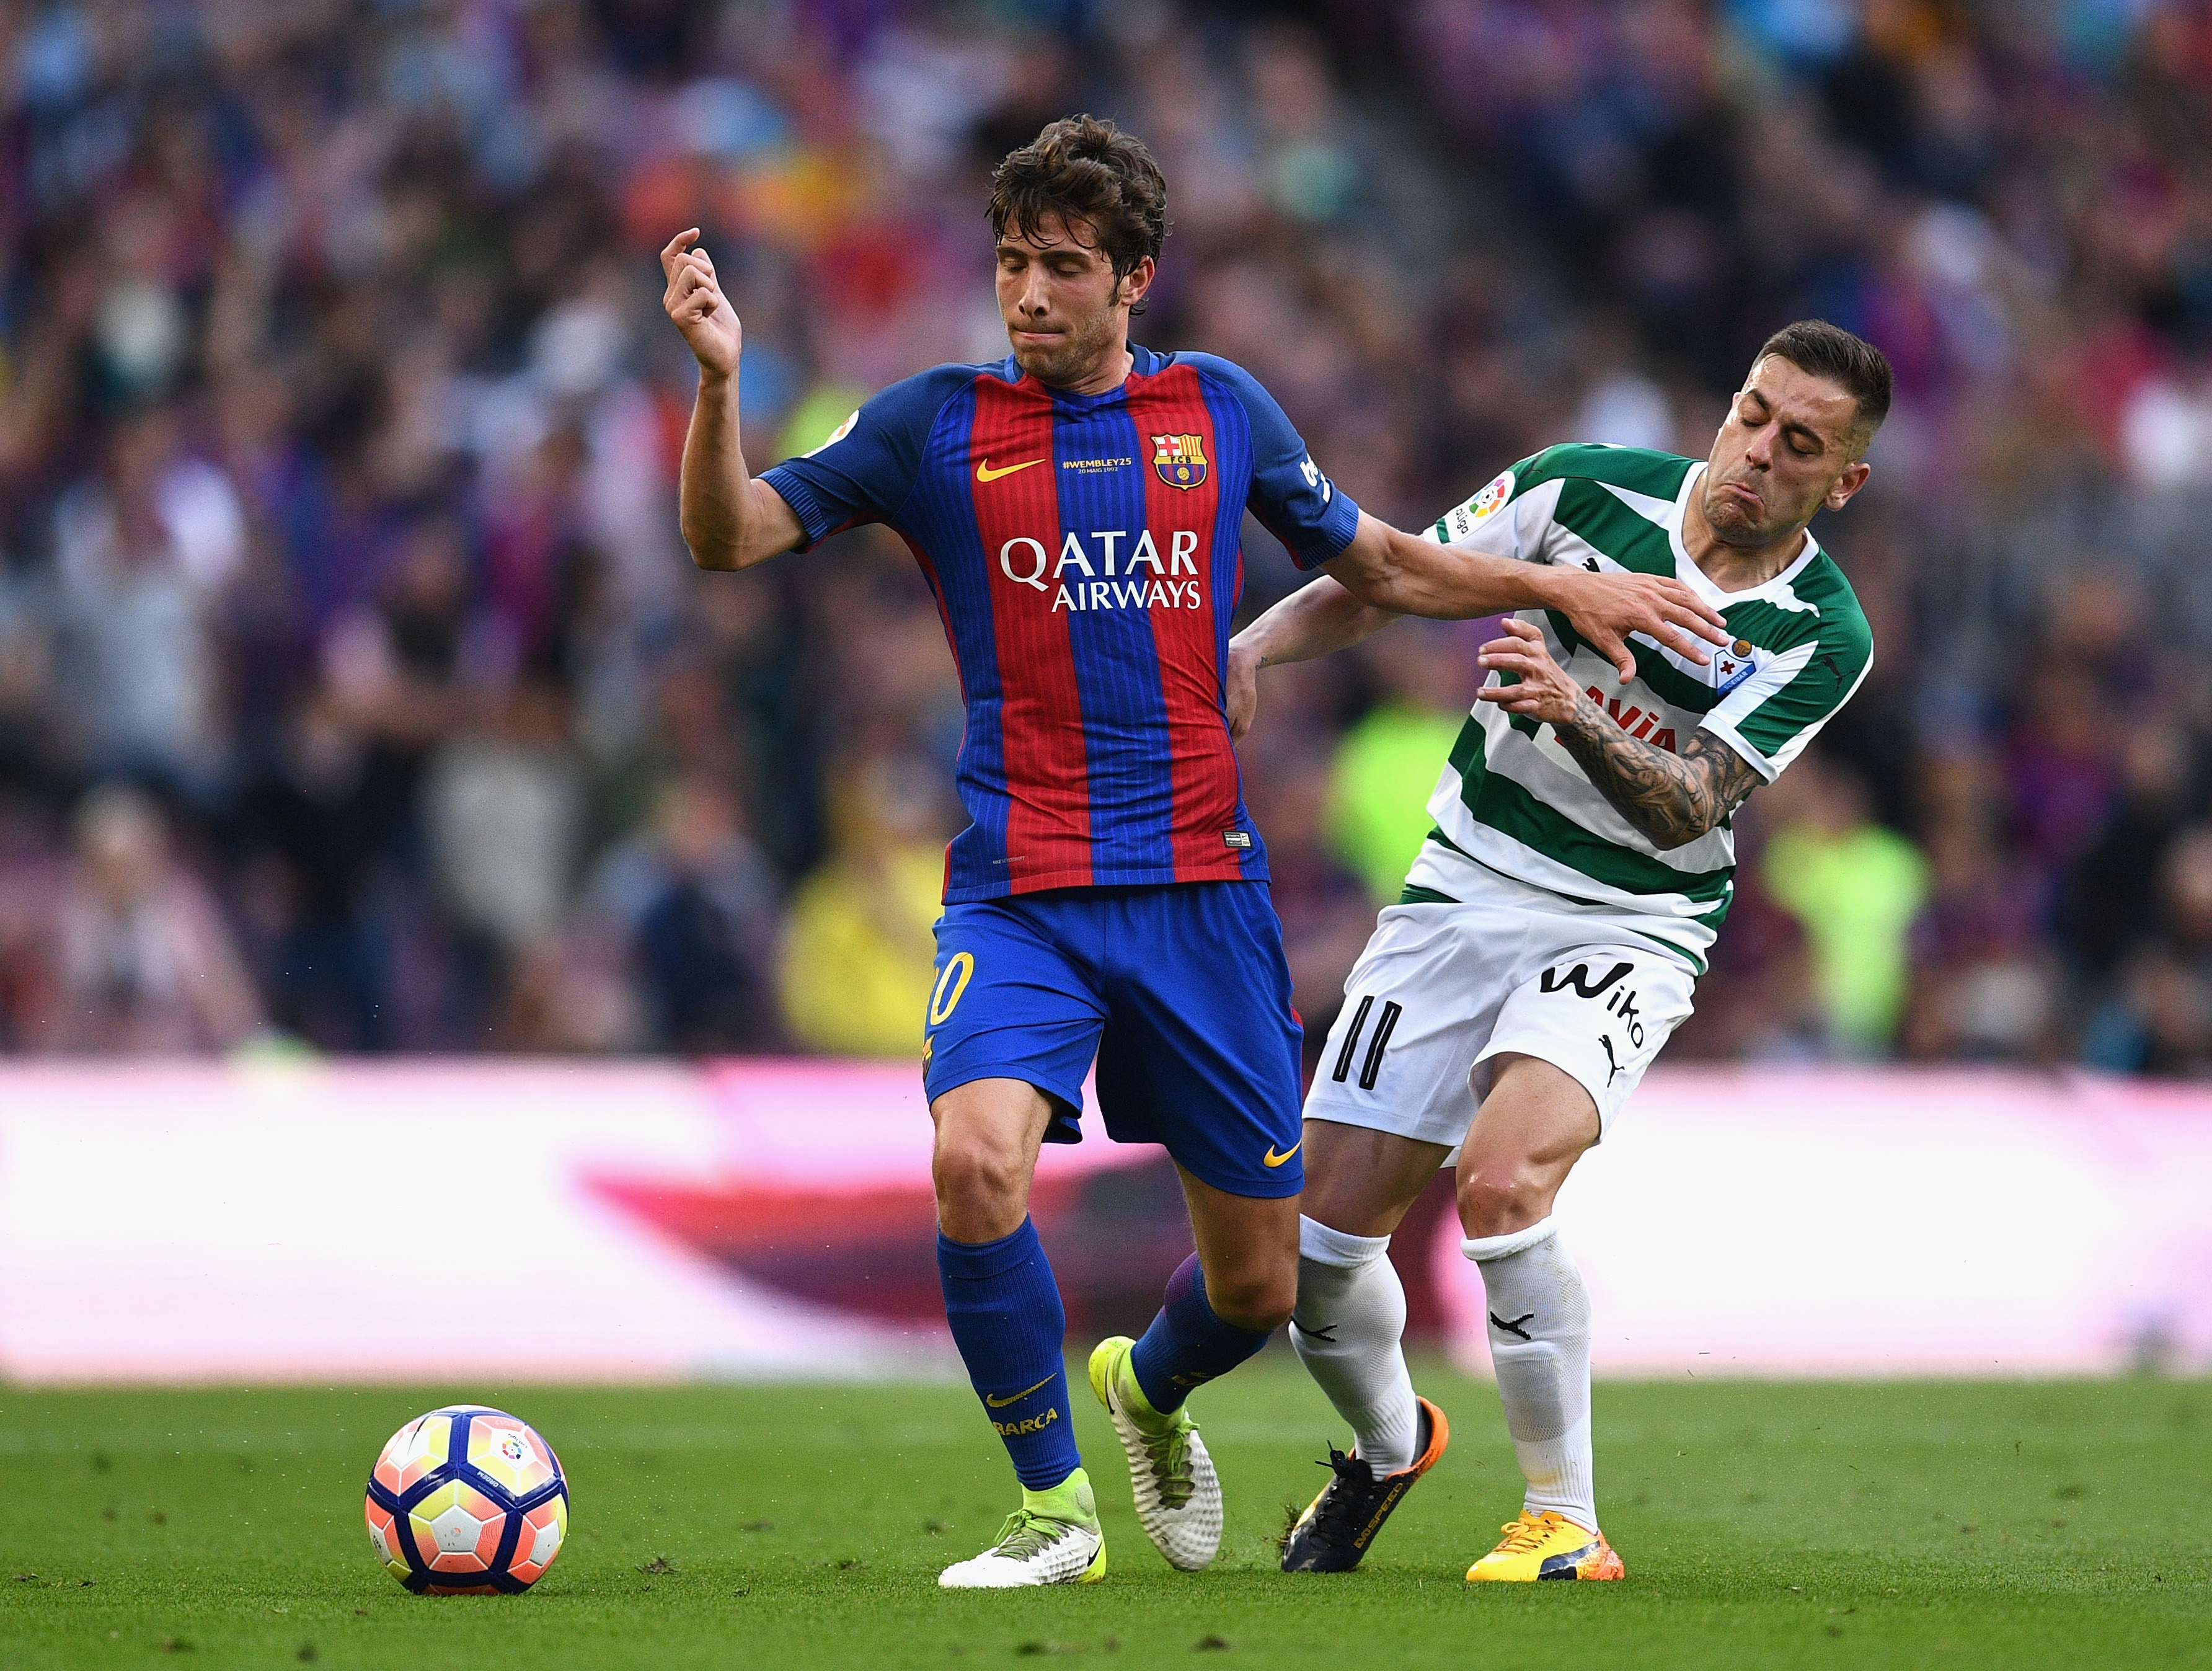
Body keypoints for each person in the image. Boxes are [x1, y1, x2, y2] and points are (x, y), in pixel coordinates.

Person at [661, 113, 1727, 1589]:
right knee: (976, 1168)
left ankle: (1148, 1393)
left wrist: (1559, 586)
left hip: (1198, 898)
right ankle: (1053, 1514)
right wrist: (719, 389)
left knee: (1259, 1283)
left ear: (1134, 278)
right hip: (1021, 894)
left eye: (1064, 268)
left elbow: (1384, 563)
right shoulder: (928, 423)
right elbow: (727, 540)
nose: (1028, 294)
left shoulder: (1216, 411)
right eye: (1012, 264)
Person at [1229, 321, 1888, 1583]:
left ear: (1841, 481)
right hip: (1461, 886)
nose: (1756, 451)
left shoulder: (1821, 631)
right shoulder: (1578, 488)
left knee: (1500, 1181)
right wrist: (1255, 645)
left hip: (1630, 920)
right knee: (1311, 1257)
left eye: (1798, 443)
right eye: (1751, 413)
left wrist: (1575, 706)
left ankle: (1562, 1521)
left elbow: (1692, 800)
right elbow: (1396, 574)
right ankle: (1384, 1446)